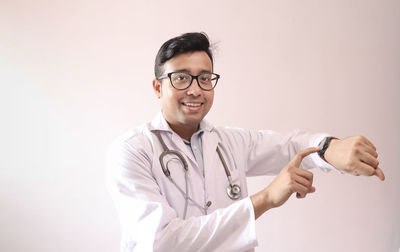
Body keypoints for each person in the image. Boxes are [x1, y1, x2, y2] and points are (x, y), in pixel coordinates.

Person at [106, 32, 385, 252]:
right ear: (158, 87)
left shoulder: (229, 141)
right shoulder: (132, 151)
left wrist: (329, 148)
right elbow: (160, 243)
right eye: (181, 78)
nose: (195, 89)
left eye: (205, 78)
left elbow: (289, 145)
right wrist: (265, 199)